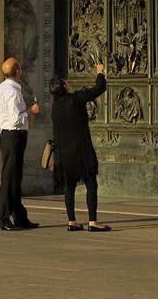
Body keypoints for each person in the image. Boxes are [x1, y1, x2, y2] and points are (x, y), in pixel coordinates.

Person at [48, 62, 110, 232]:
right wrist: (100, 72)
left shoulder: (55, 107)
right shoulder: (75, 98)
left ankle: (72, 221)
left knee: (69, 186)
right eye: (65, 81)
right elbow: (99, 88)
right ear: (64, 86)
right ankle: (93, 221)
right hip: (81, 150)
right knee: (91, 183)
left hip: (63, 154)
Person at [0, 55, 40, 231]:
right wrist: (30, 111)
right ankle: (3, 218)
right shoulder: (13, 92)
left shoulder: (1, 88)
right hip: (14, 135)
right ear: (18, 71)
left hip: (7, 135)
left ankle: (19, 216)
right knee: (9, 177)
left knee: (14, 177)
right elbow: (15, 120)